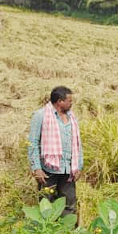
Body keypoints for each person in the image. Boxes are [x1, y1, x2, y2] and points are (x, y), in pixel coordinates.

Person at [28, 86, 83, 221]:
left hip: (68, 169)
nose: (72, 103)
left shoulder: (72, 117)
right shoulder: (40, 115)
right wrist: (36, 168)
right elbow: (33, 143)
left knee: (69, 204)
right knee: (46, 204)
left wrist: (79, 166)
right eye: (69, 100)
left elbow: (77, 143)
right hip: (48, 170)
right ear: (59, 101)